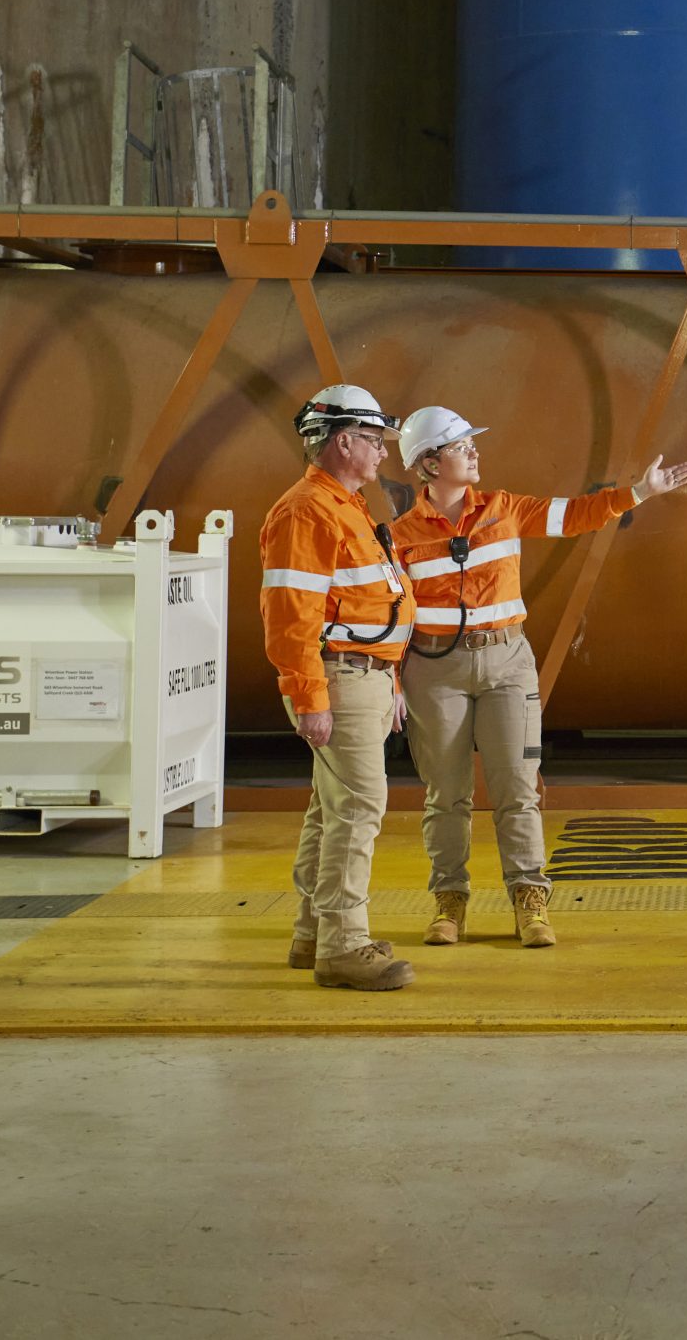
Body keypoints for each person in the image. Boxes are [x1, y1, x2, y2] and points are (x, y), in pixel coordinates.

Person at [390, 405, 687, 949]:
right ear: (429, 465)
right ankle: (450, 904)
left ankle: (530, 903)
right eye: (462, 447)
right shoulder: (400, 535)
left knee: (517, 788)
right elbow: (395, 613)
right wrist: (394, 679)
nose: (475, 453)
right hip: (435, 671)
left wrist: (639, 493)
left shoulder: (505, 509)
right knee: (447, 795)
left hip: (507, 661)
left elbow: (576, 515)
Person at [260, 383, 417, 992]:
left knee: (331, 809)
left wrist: (392, 677)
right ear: (343, 440)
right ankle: (345, 946)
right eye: (374, 441)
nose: (382, 454)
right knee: (358, 808)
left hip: (364, 676)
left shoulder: (346, 505)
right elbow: (290, 613)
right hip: (338, 676)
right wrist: (309, 696)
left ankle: (312, 933)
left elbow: (371, 603)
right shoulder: (306, 510)